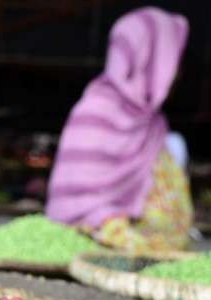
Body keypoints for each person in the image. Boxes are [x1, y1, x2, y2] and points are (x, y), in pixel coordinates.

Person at [45, 7, 193, 252]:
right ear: (149, 57)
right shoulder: (96, 111)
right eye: (172, 58)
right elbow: (78, 206)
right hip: (98, 247)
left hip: (153, 254)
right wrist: (124, 233)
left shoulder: (153, 122)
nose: (178, 71)